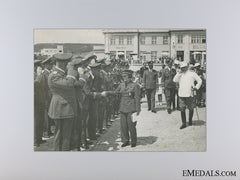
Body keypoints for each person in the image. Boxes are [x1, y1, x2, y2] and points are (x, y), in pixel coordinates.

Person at [48, 53, 78, 151]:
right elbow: (69, 83)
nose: (68, 65)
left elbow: (74, 83)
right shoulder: (54, 76)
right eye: (67, 63)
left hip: (65, 109)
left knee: (66, 136)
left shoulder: (62, 74)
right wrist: (71, 70)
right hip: (61, 109)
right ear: (61, 63)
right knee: (62, 136)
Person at [114, 70, 141, 147]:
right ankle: (125, 140)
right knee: (123, 126)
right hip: (123, 107)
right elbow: (116, 92)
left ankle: (133, 141)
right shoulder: (121, 85)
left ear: (130, 77)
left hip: (131, 108)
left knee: (131, 126)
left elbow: (137, 98)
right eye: (123, 77)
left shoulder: (135, 85)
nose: (124, 78)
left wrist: (138, 109)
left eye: (125, 77)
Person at [173, 62, 202, 129]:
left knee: (191, 108)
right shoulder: (180, 74)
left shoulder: (192, 73)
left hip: (189, 94)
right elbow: (174, 80)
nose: (182, 69)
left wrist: (196, 87)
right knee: (182, 109)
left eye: (183, 67)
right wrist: (178, 73)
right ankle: (183, 123)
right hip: (181, 94)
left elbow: (200, 81)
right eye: (181, 68)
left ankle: (190, 120)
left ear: (187, 67)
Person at [41, 57, 54, 138]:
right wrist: (45, 98)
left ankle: (48, 131)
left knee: (49, 114)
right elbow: (44, 88)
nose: (51, 65)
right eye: (50, 64)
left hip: (50, 97)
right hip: (47, 97)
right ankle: (45, 132)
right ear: (46, 65)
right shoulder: (44, 74)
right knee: (46, 115)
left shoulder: (48, 73)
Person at [34, 60, 46, 147]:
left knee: (41, 120)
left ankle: (39, 138)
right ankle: (35, 140)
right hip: (36, 102)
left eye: (40, 67)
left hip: (41, 101)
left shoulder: (40, 76)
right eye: (38, 67)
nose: (40, 69)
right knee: (36, 121)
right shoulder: (35, 77)